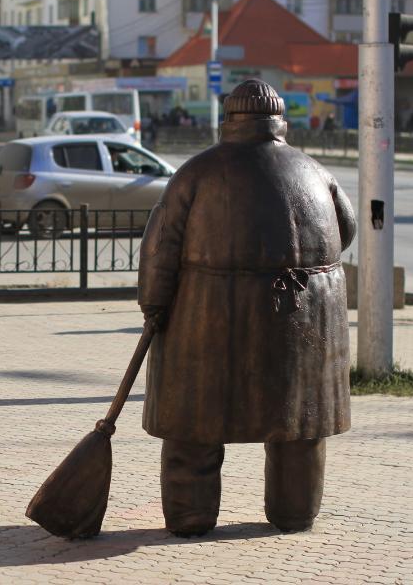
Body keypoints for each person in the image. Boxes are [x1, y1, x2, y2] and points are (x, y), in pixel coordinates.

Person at [138, 80, 356, 537]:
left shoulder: (195, 174)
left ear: (229, 120)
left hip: (207, 322)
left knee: (193, 429)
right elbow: (346, 229)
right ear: (279, 121)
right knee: (299, 427)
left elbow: (160, 249)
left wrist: (153, 307)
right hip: (302, 316)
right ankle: (294, 513)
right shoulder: (316, 172)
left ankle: (191, 517)